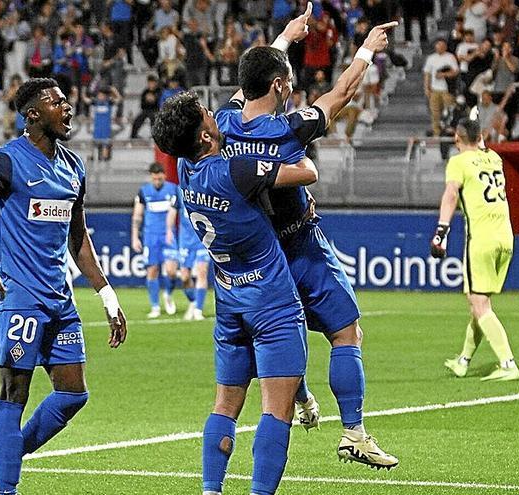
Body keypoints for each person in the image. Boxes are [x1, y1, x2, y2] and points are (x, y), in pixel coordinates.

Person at [215, 7, 399, 468]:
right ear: (280, 86)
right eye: (288, 78)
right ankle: (354, 432)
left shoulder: (224, 122)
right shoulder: (288, 129)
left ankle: (300, 396)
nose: (292, 83)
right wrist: (366, 50)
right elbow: (343, 92)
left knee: (280, 334)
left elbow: (251, 83)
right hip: (301, 246)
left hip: (259, 261)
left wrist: (282, 38)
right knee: (346, 332)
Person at [0, 77, 127, 495]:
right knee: (14, 393)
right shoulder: (5, 161)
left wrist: (106, 293)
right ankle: (6, 487)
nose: (68, 108)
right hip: (17, 297)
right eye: (57, 102)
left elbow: (78, 238)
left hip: (59, 299)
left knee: (73, 394)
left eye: (66, 100)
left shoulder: (73, 166)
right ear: (32, 115)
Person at [152, 90, 317, 495]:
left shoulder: (186, 172)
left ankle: (211, 490)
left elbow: (236, 100)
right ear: (206, 136)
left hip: (229, 306)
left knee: (225, 405)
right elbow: (306, 172)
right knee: (275, 412)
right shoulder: (238, 172)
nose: (216, 113)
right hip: (272, 304)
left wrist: (279, 46)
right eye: (208, 114)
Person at [432, 119, 519, 382]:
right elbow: (481, 147)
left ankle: (507, 363)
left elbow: (450, 195)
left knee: (479, 304)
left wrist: (441, 232)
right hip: (506, 237)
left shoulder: (458, 163)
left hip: (481, 239)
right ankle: (463, 361)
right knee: (478, 304)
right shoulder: (494, 159)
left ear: (457, 139)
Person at [131, 162, 180, 318]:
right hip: (150, 236)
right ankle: (155, 307)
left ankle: (168, 294)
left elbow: (175, 212)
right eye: (155, 179)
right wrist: (134, 237)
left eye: (160, 178)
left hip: (168, 235)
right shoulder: (144, 192)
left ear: (164, 175)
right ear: (151, 177)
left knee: (172, 271)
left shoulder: (173, 189)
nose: (157, 181)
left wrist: (169, 231)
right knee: (152, 271)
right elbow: (137, 215)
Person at [166, 197, 209, 321]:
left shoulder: (204, 188)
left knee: (202, 272)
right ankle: (194, 301)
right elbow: (172, 212)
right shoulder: (180, 191)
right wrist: (169, 230)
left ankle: (198, 310)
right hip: (185, 241)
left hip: (203, 239)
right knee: (185, 277)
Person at [423, 39, 460, 137]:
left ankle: (449, 133)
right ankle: (436, 133)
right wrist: (427, 88)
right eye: (438, 45)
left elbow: (455, 71)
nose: (440, 47)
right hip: (435, 89)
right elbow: (427, 74)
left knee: (449, 112)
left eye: (442, 45)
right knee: (435, 113)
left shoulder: (450, 57)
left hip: (447, 90)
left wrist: (444, 74)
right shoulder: (431, 58)